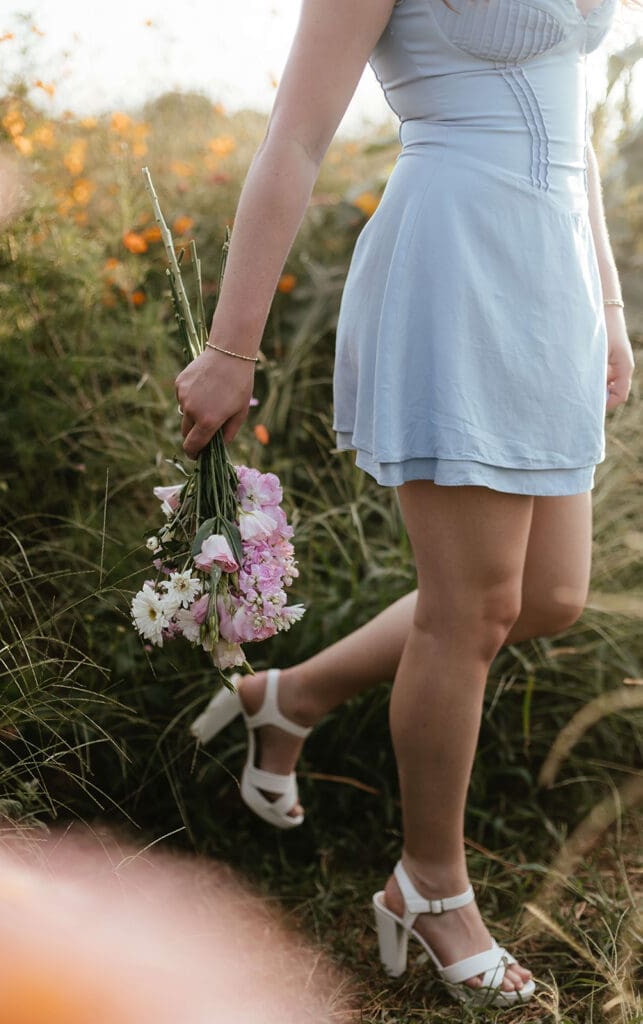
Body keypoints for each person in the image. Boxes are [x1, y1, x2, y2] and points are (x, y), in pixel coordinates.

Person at [178, 0, 635, 1009]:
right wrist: (230, 348)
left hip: (549, 268)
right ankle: (429, 886)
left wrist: (605, 306)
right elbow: (295, 136)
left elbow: (572, 118)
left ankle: (287, 697)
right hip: (456, 262)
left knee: (549, 594)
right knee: (468, 608)